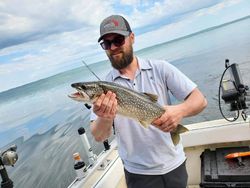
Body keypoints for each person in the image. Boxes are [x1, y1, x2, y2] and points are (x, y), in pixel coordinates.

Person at [90, 15, 207, 188]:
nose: (113, 47)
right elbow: (99, 136)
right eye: (107, 44)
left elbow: (200, 100)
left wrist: (180, 111)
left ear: (132, 37)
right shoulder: (104, 88)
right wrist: (105, 117)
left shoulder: (160, 68)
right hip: (138, 173)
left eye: (118, 40)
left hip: (174, 164)